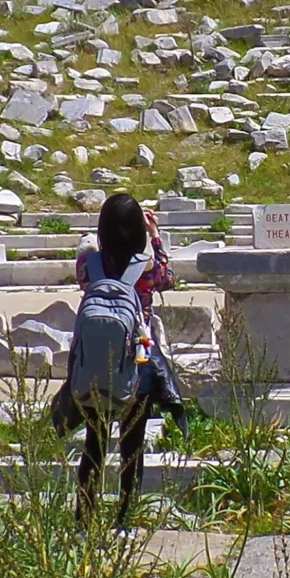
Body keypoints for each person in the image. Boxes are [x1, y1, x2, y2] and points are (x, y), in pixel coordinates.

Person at [57, 193, 185, 525]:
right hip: (137, 364)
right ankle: (124, 521)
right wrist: (155, 235)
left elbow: (82, 270)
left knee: (94, 445)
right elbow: (168, 279)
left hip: (95, 364)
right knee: (132, 447)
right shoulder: (147, 268)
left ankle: (84, 518)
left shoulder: (90, 265)